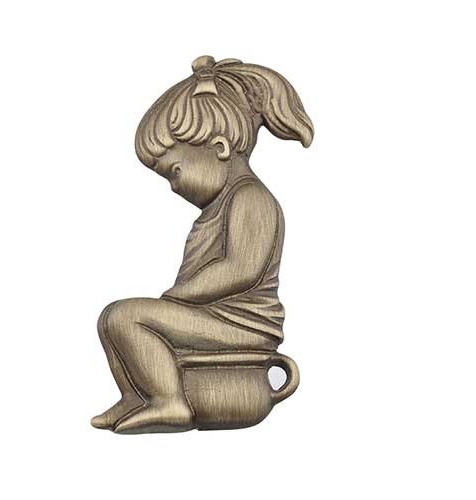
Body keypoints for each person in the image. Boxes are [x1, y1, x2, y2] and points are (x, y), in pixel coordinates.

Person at [92, 56, 313, 433]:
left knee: (126, 317)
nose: (173, 187)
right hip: (211, 319)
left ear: (219, 148)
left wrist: (178, 297)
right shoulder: (214, 211)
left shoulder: (251, 199)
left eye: (175, 172)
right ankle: (136, 396)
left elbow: (240, 269)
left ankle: (169, 400)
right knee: (113, 320)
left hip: (240, 326)